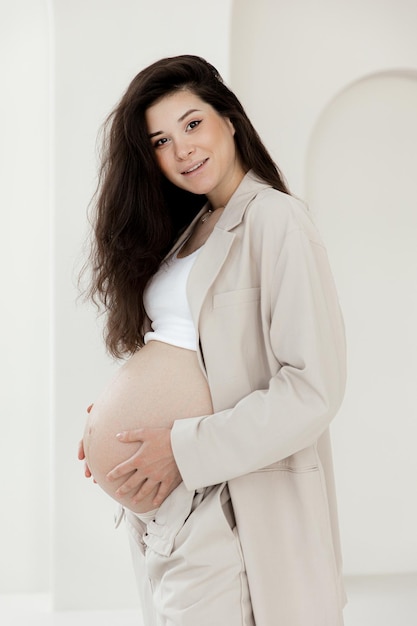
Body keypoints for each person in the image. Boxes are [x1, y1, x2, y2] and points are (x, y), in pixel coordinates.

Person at [78, 54, 347, 626]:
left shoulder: (277, 220)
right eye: (160, 141)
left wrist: (178, 447)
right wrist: (110, 423)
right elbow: (185, 353)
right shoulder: (191, 229)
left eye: (193, 124)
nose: (183, 150)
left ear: (229, 118)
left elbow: (313, 389)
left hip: (226, 501)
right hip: (172, 508)